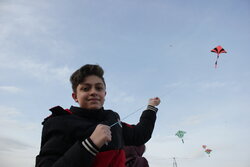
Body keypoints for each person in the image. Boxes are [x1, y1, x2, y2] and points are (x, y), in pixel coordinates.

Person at [35, 64, 160, 167]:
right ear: (75, 97)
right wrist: (90, 145)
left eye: (98, 88)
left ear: (104, 94)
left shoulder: (112, 118)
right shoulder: (59, 122)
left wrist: (151, 107)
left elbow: (140, 135)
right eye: (85, 88)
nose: (93, 92)